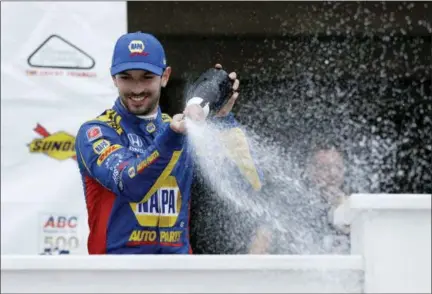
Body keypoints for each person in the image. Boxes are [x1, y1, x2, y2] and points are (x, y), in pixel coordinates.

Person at [74, 31, 262, 254]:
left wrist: (223, 121)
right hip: (118, 276)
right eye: (126, 77)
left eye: (146, 77)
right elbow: (129, 184)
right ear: (113, 78)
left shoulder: (184, 130)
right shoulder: (96, 132)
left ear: (165, 77)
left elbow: (245, 185)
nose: (136, 88)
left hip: (178, 275)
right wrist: (171, 137)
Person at [249, 144, 350, 254]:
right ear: (309, 171)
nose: (333, 174)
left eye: (338, 168)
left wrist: (345, 209)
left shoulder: (357, 206)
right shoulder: (290, 207)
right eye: (324, 168)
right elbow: (257, 249)